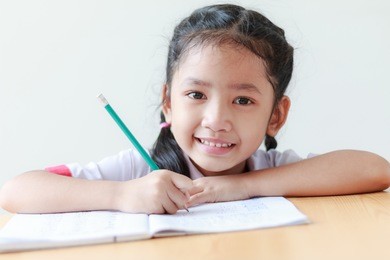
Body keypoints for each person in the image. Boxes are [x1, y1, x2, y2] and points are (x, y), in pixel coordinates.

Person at [1, 4, 389, 215]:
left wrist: (241, 186)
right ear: (168, 101)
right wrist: (121, 196)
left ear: (276, 116)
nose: (217, 120)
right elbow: (17, 191)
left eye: (243, 100)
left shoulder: (272, 171)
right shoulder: (139, 171)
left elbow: (375, 169)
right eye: (196, 95)